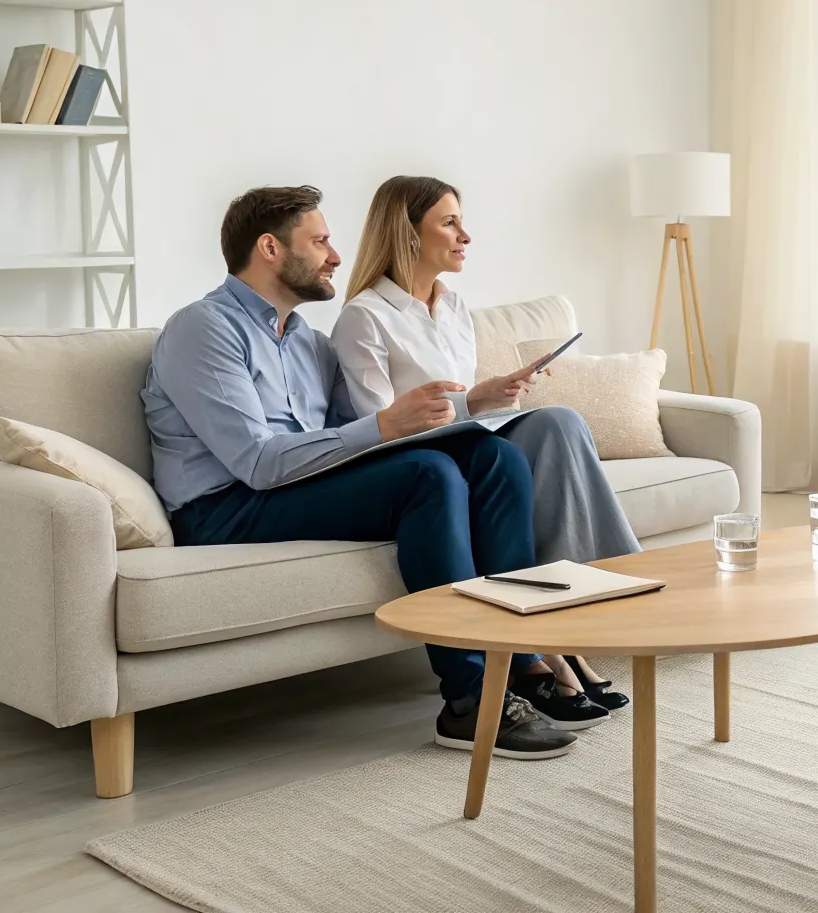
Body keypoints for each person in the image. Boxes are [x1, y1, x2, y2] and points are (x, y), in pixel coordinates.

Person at [143, 184, 577, 761]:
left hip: (295, 487)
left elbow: (362, 427)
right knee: (427, 475)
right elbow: (258, 463)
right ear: (270, 248)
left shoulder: (306, 342)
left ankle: (519, 662)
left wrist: (473, 405)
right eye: (320, 241)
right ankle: (471, 704)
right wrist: (386, 426)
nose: (336, 257)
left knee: (492, 456)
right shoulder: (204, 328)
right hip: (225, 508)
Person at [331, 175, 642, 731]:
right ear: (407, 233)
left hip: (472, 440)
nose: (465, 235)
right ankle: (554, 640)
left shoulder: (454, 308)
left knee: (558, 423)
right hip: (420, 457)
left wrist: (487, 396)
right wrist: (469, 405)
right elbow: (380, 424)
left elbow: (465, 405)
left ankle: (580, 613)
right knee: (530, 444)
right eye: (449, 222)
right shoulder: (365, 317)